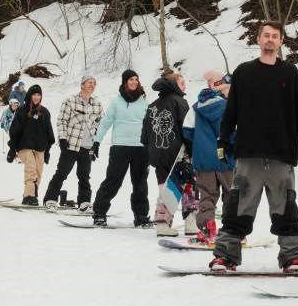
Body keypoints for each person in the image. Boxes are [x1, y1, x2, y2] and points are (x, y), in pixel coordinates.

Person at [210, 21, 298, 272]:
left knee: (286, 210)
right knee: (237, 208)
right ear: (258, 39)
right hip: (249, 154)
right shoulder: (244, 72)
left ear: (281, 42)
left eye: (275, 36)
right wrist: (223, 139)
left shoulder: (290, 73)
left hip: (282, 155)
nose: (270, 40)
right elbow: (232, 110)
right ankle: (225, 256)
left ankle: (292, 258)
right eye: (266, 35)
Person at [90, 69, 150, 227]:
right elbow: (105, 122)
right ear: (125, 82)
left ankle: (141, 216)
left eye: (136, 79)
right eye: (131, 79)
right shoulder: (116, 102)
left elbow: (150, 125)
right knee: (113, 181)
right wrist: (96, 142)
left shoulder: (144, 101)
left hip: (140, 148)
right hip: (120, 147)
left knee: (140, 184)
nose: (134, 82)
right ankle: (99, 213)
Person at [183, 71, 235, 243]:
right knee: (231, 195)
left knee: (207, 195)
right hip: (226, 159)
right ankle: (233, 231)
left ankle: (208, 229)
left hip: (204, 160)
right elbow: (234, 132)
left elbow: (187, 131)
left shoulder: (195, 107)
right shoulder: (229, 106)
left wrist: (201, 144)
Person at [43, 76, 103, 210]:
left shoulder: (97, 104)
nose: (92, 85)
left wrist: (96, 144)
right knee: (61, 173)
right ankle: (50, 199)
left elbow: (101, 125)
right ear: (82, 85)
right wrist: (63, 139)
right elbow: (61, 121)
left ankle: (84, 202)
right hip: (71, 145)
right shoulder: (70, 100)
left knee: (84, 176)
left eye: (94, 83)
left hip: (87, 146)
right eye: (89, 82)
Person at [143, 71, 190, 235]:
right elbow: (188, 129)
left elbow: (144, 135)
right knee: (188, 186)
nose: (185, 86)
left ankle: (162, 224)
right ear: (174, 85)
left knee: (165, 189)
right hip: (178, 154)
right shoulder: (180, 102)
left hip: (157, 154)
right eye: (182, 83)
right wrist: (191, 150)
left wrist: (151, 152)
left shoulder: (152, 105)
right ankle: (191, 223)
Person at [6, 84, 55, 205]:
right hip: (24, 146)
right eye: (34, 94)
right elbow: (14, 131)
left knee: (38, 172)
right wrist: (12, 149)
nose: (36, 97)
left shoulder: (45, 112)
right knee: (31, 170)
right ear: (30, 95)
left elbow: (49, 133)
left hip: (40, 147)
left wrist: (47, 151)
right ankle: (28, 196)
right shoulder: (22, 110)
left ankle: (31, 195)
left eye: (39, 95)